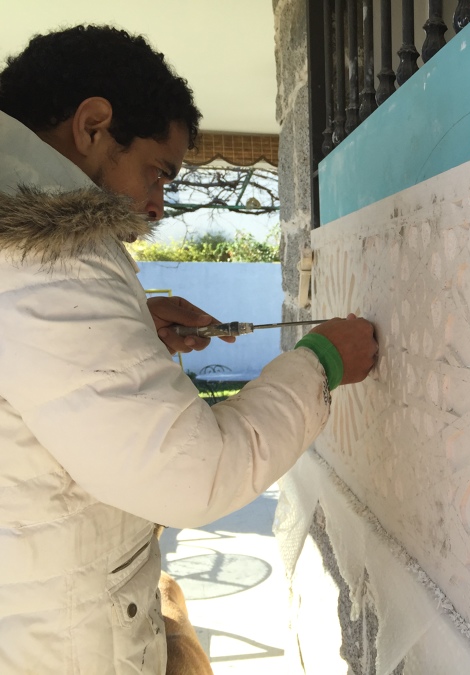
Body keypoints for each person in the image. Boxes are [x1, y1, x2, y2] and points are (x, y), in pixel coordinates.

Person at [0, 25, 377, 674]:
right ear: (93, 125)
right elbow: (195, 473)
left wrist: (132, 329)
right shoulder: (51, 262)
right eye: (158, 171)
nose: (160, 202)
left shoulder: (30, 259)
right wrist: (323, 361)